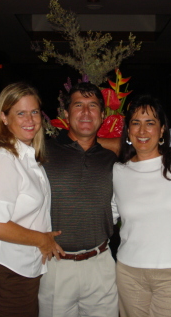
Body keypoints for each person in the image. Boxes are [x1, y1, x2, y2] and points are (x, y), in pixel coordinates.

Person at [0, 82, 64, 316]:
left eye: (34, 112)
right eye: (20, 113)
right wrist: (42, 240)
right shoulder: (4, 157)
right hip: (4, 272)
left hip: (23, 270)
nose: (30, 120)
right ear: (4, 117)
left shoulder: (26, 155)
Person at [38, 82, 119, 317]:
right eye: (78, 106)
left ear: (103, 115)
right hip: (56, 266)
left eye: (93, 106)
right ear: (66, 113)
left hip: (101, 264)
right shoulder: (42, 153)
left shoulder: (111, 160)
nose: (86, 112)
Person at [112, 95, 171, 316]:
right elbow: (107, 213)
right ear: (128, 130)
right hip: (129, 272)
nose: (142, 131)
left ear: (163, 129)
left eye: (150, 123)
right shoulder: (118, 171)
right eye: (135, 123)